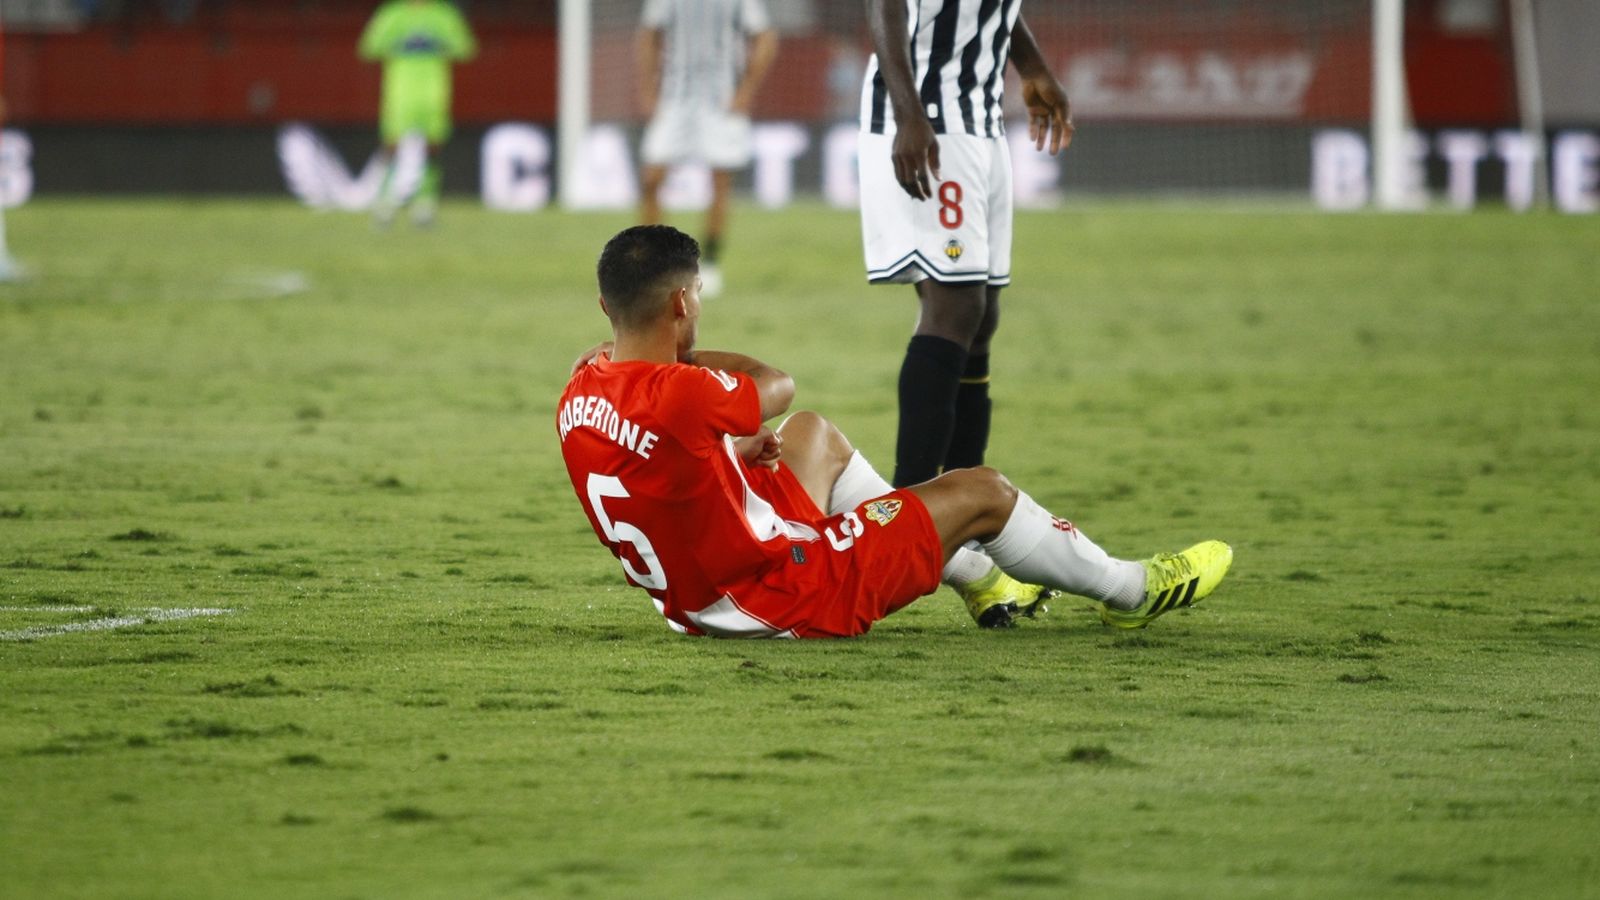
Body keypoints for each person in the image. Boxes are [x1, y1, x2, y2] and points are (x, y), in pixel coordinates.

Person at [558, 226, 1232, 639]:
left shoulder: (580, 385)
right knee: (983, 491)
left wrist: (729, 452)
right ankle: (1133, 591)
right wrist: (689, 359)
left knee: (810, 436)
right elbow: (776, 383)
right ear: (681, 302)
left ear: (604, 309)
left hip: (696, 590)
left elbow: (651, 466)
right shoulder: (681, 389)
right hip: (780, 594)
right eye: (697, 295)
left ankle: (981, 580)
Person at [858, 0, 1073, 488]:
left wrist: (1033, 64)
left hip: (981, 119)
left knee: (980, 318)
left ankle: (963, 510)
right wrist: (908, 114)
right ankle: (912, 512)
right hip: (929, 117)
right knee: (955, 309)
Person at [636, 0, 778, 298]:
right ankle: (655, 266)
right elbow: (649, 34)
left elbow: (765, 37)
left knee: (719, 181)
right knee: (652, 178)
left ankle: (709, 264)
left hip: (721, 101)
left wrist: (746, 91)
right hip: (674, 99)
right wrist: (648, 90)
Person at [358, 0, 476, 227]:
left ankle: (425, 206)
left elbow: (465, 48)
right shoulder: (392, 13)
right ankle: (385, 205)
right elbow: (369, 47)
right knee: (392, 146)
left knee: (432, 148)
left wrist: (437, 44)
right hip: (400, 92)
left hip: (433, 91)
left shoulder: (443, 14)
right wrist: (401, 44)